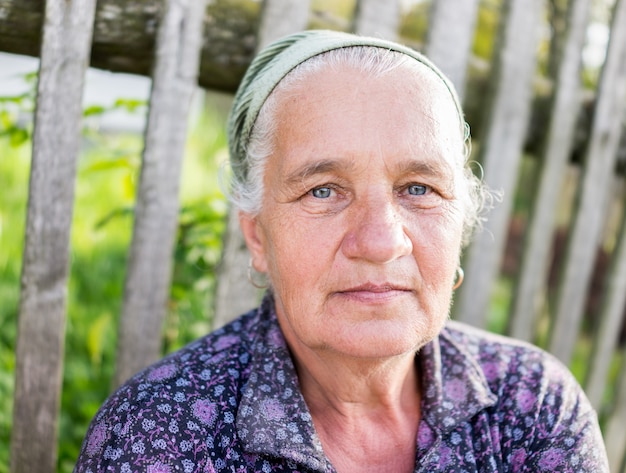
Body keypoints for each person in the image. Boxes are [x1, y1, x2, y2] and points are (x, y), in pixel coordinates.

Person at [74, 30, 609, 473]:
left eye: (418, 189)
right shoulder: (160, 436)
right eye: (323, 191)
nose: (380, 242)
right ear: (258, 235)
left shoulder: (533, 406)